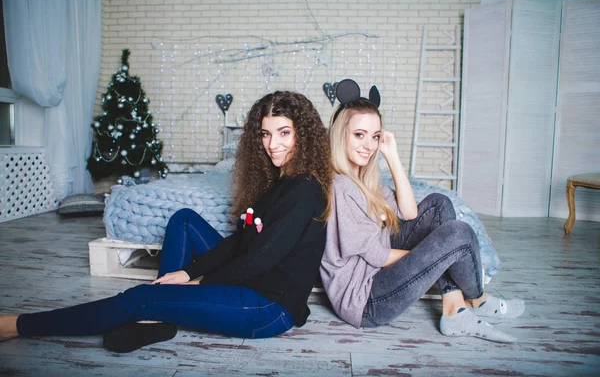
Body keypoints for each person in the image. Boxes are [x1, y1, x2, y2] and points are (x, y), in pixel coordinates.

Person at [0, 91, 333, 352]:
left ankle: (18, 325)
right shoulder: (280, 181)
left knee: (140, 297)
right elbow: (242, 241)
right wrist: (187, 272)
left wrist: (200, 283)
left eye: (284, 133)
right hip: (254, 282)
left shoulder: (303, 192)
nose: (272, 144)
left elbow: (258, 260)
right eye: (265, 134)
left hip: (267, 307)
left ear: (302, 135)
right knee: (184, 220)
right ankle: (159, 317)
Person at [320, 79, 524, 343]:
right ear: (341, 135)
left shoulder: (366, 179)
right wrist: (433, 257)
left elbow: (410, 212)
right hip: (365, 300)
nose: (368, 145)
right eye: (359, 134)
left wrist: (392, 157)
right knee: (456, 235)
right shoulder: (341, 186)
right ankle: (477, 299)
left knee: (439, 204)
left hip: (378, 274)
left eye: (375, 136)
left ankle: (454, 307)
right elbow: (375, 255)